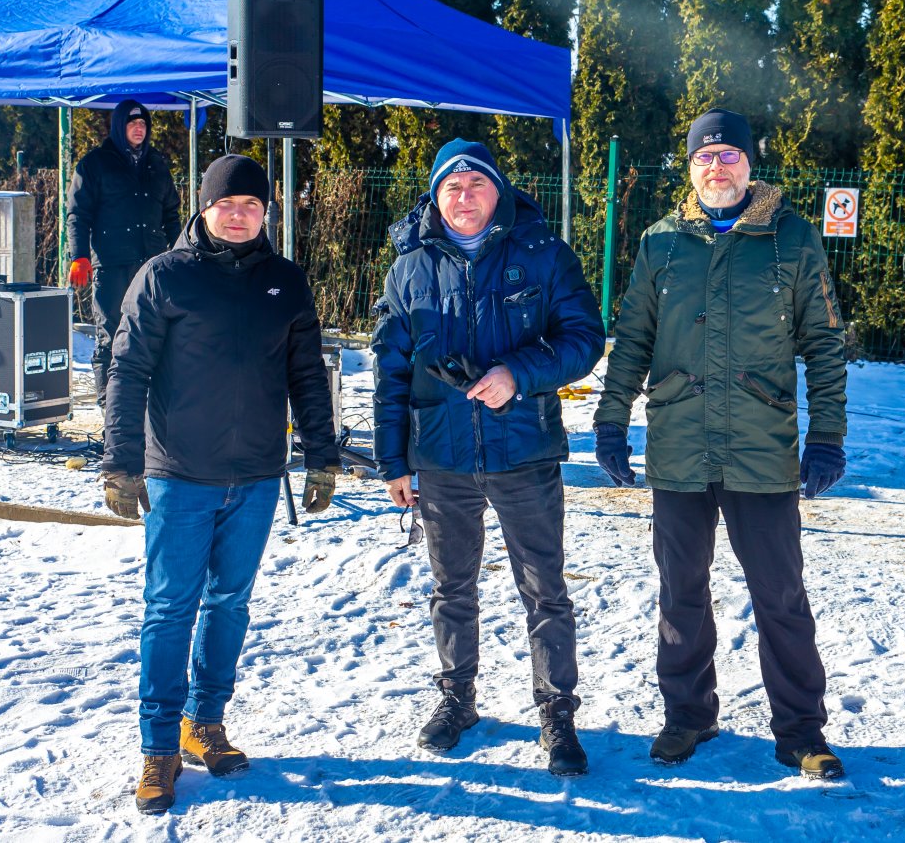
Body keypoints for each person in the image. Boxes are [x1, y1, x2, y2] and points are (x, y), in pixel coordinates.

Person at [593, 108, 849, 780]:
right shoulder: (660, 243)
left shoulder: (792, 239)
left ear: (749, 163)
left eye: (728, 155)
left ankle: (801, 731)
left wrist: (827, 435)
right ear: (690, 168)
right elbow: (633, 341)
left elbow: (824, 344)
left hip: (761, 447)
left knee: (780, 593)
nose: (717, 167)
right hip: (679, 443)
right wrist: (611, 421)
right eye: (704, 157)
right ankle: (688, 715)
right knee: (680, 590)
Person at [100, 154, 341, 814]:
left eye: (251, 205)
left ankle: (204, 721)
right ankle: (158, 746)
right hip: (180, 475)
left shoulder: (285, 282)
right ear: (204, 207)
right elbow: (127, 370)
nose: (239, 215)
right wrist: (120, 462)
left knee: (230, 601)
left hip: (257, 477)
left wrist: (320, 455)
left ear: (266, 213)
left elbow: (306, 375)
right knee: (170, 607)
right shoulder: (164, 276)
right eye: (226, 204)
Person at [372, 139, 605, 777]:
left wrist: (517, 373)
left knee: (545, 589)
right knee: (451, 587)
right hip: (441, 456)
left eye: (477, 183)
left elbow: (585, 338)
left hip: (523, 450)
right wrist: (393, 461)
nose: (465, 195)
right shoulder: (409, 269)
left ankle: (557, 712)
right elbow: (391, 371)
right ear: (436, 197)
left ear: (499, 191)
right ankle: (457, 697)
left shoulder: (542, 253)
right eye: (452, 186)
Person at [66, 98, 182, 411]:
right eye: (133, 123)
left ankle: (149, 408)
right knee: (111, 333)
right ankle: (111, 410)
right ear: (120, 126)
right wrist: (79, 256)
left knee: (153, 332)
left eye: (143, 123)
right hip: (112, 264)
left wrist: (181, 254)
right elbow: (78, 214)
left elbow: (171, 214)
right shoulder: (95, 164)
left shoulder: (156, 164)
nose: (139, 128)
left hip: (151, 265)